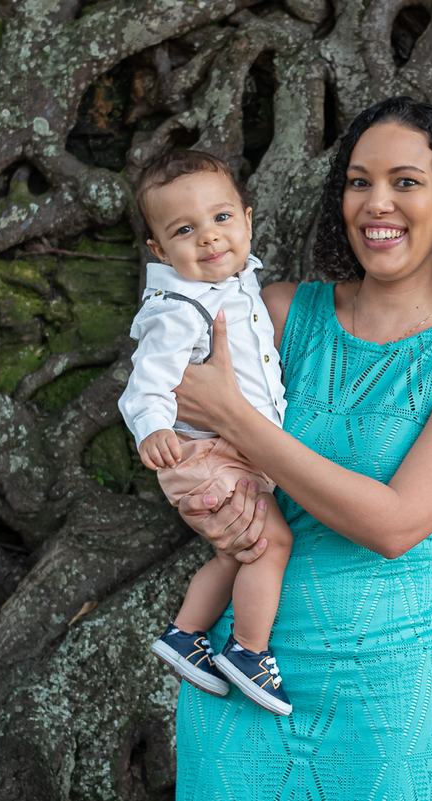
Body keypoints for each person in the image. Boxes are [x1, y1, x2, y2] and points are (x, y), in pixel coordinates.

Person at [170, 96, 432, 798]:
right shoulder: (273, 312)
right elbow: (178, 418)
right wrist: (202, 501)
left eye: (405, 181)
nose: (376, 203)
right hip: (238, 677)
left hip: (388, 701)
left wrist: (241, 424)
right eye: (359, 182)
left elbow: (394, 523)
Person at [119, 150, 295, 715]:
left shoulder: (240, 286)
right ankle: (247, 651)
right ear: (160, 250)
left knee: (238, 552)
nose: (210, 238)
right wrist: (152, 431)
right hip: (202, 453)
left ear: (246, 219)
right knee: (271, 545)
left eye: (221, 219)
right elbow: (145, 386)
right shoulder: (178, 309)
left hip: (235, 453)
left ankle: (184, 635)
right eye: (184, 229)